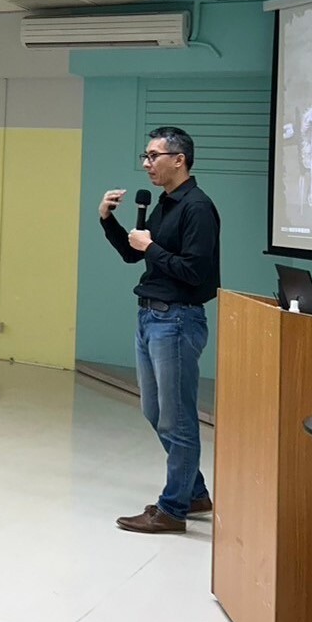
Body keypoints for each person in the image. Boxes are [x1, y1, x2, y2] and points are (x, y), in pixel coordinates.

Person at [100, 126, 221, 535]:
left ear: (179, 159)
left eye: (153, 156)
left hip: (178, 319)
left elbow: (195, 272)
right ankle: (196, 492)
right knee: (155, 411)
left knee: (178, 418)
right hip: (151, 317)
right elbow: (134, 256)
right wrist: (108, 220)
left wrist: (150, 247)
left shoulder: (197, 208)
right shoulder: (167, 204)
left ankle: (173, 509)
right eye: (146, 157)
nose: (147, 164)